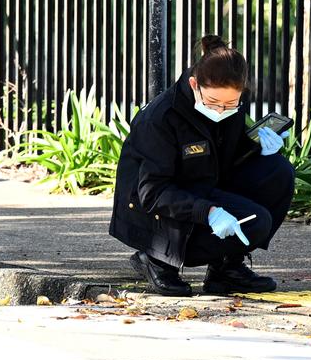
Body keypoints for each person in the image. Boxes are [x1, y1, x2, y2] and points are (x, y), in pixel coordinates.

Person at [109, 35, 295, 297]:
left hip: (202, 186)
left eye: (231, 103)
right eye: (213, 103)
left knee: (279, 172)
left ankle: (227, 270)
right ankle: (156, 259)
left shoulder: (230, 107)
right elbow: (152, 192)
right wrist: (208, 212)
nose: (221, 110)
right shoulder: (161, 118)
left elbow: (224, 158)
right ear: (194, 85)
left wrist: (259, 149)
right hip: (156, 210)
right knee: (256, 223)